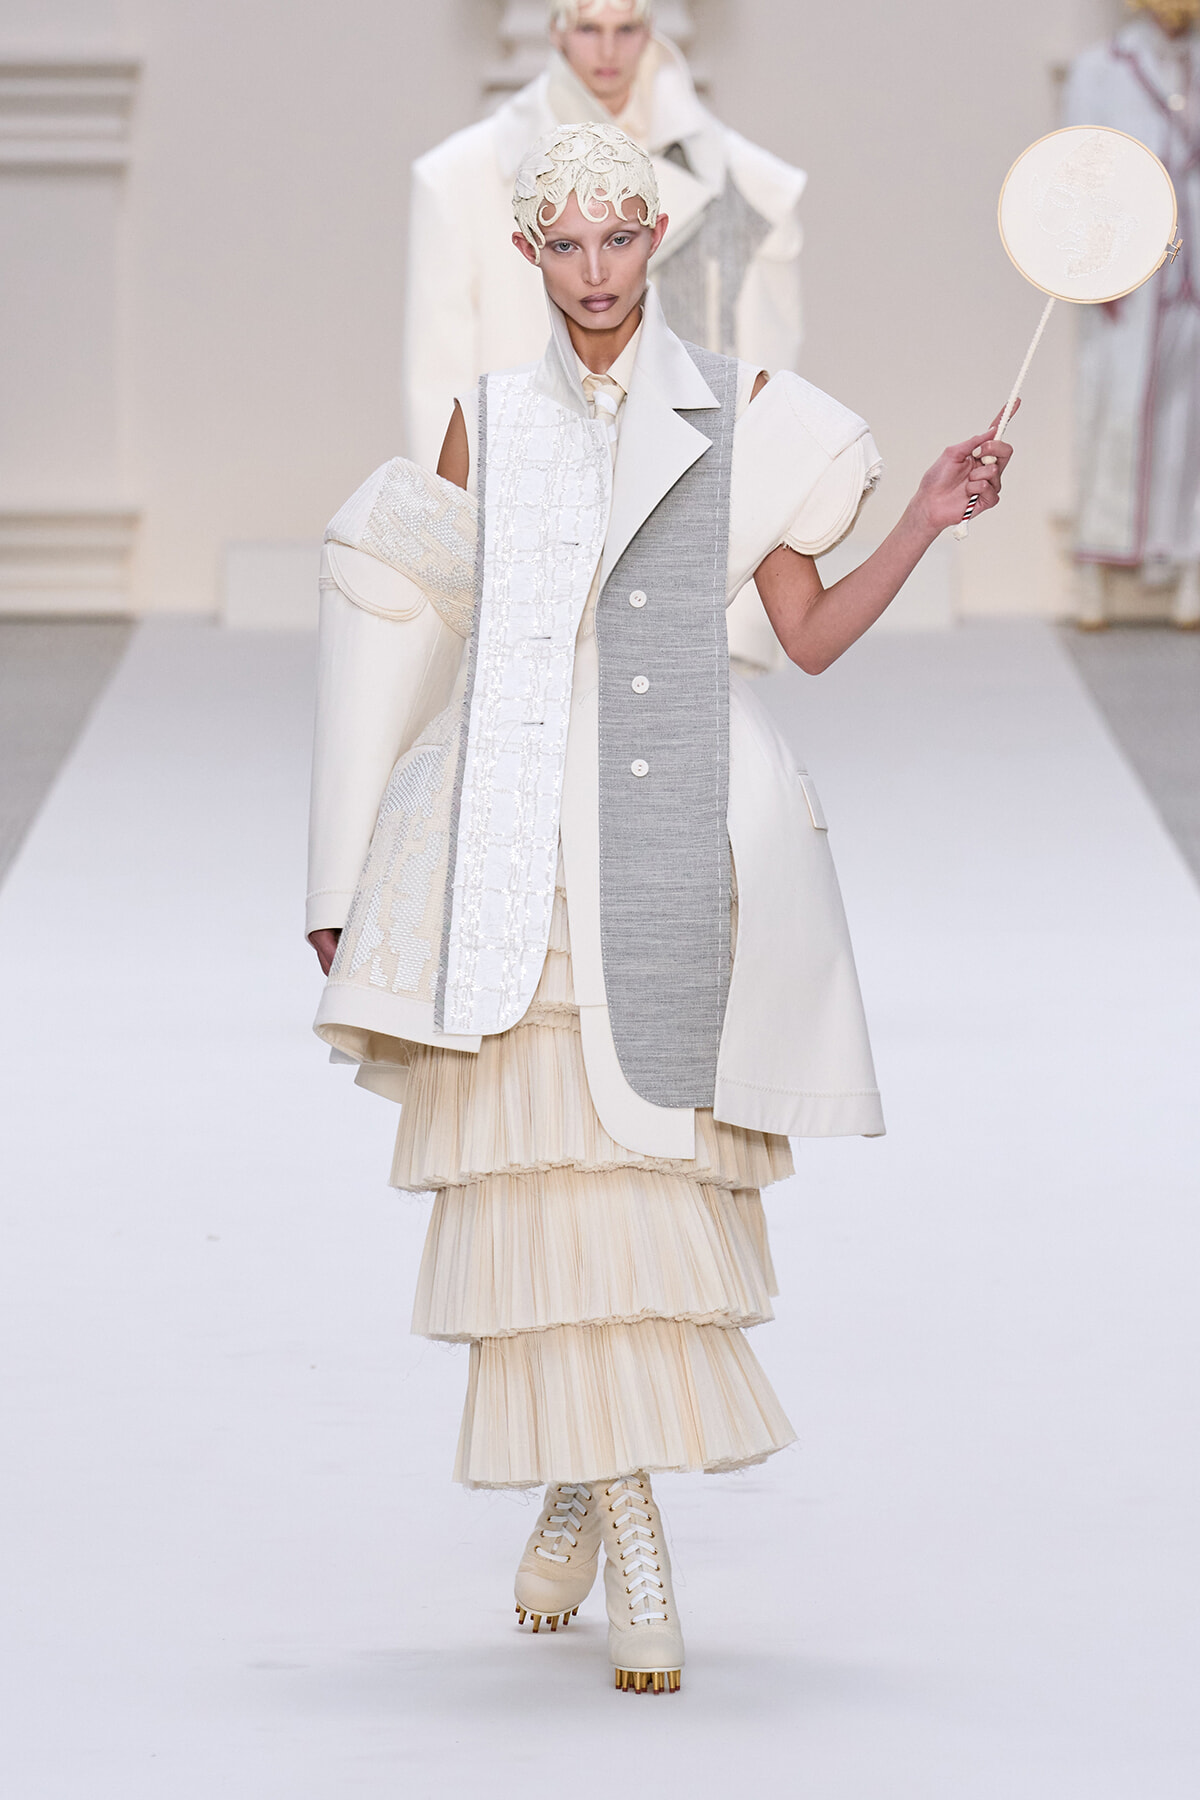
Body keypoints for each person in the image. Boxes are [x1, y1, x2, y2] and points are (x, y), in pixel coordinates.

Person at [308, 121, 1011, 1695]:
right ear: (528, 257)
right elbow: (404, 642)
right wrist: (343, 873)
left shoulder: (749, 416)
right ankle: (630, 1528)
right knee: (558, 1182)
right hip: (510, 850)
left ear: (659, 240)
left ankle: (583, 1479)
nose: (598, 272)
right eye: (568, 245)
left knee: (636, 1191)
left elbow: (808, 634)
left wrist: (928, 516)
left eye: (622, 239)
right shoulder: (483, 425)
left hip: (676, 831)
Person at [403, 0, 808, 673]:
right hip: (531, 511)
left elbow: (764, 372)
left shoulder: (754, 187)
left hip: (679, 517)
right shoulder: (459, 180)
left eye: (627, 29)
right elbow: (437, 383)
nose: (609, 52)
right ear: (555, 30)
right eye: (589, 28)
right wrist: (452, 559)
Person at [1065, 0, 1200, 628]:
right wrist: (1100, 268)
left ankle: (1186, 562)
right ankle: (1095, 560)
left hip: (1191, 269)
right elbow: (1081, 171)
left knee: (1190, 418)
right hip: (1131, 271)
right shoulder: (1102, 68)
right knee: (1113, 408)